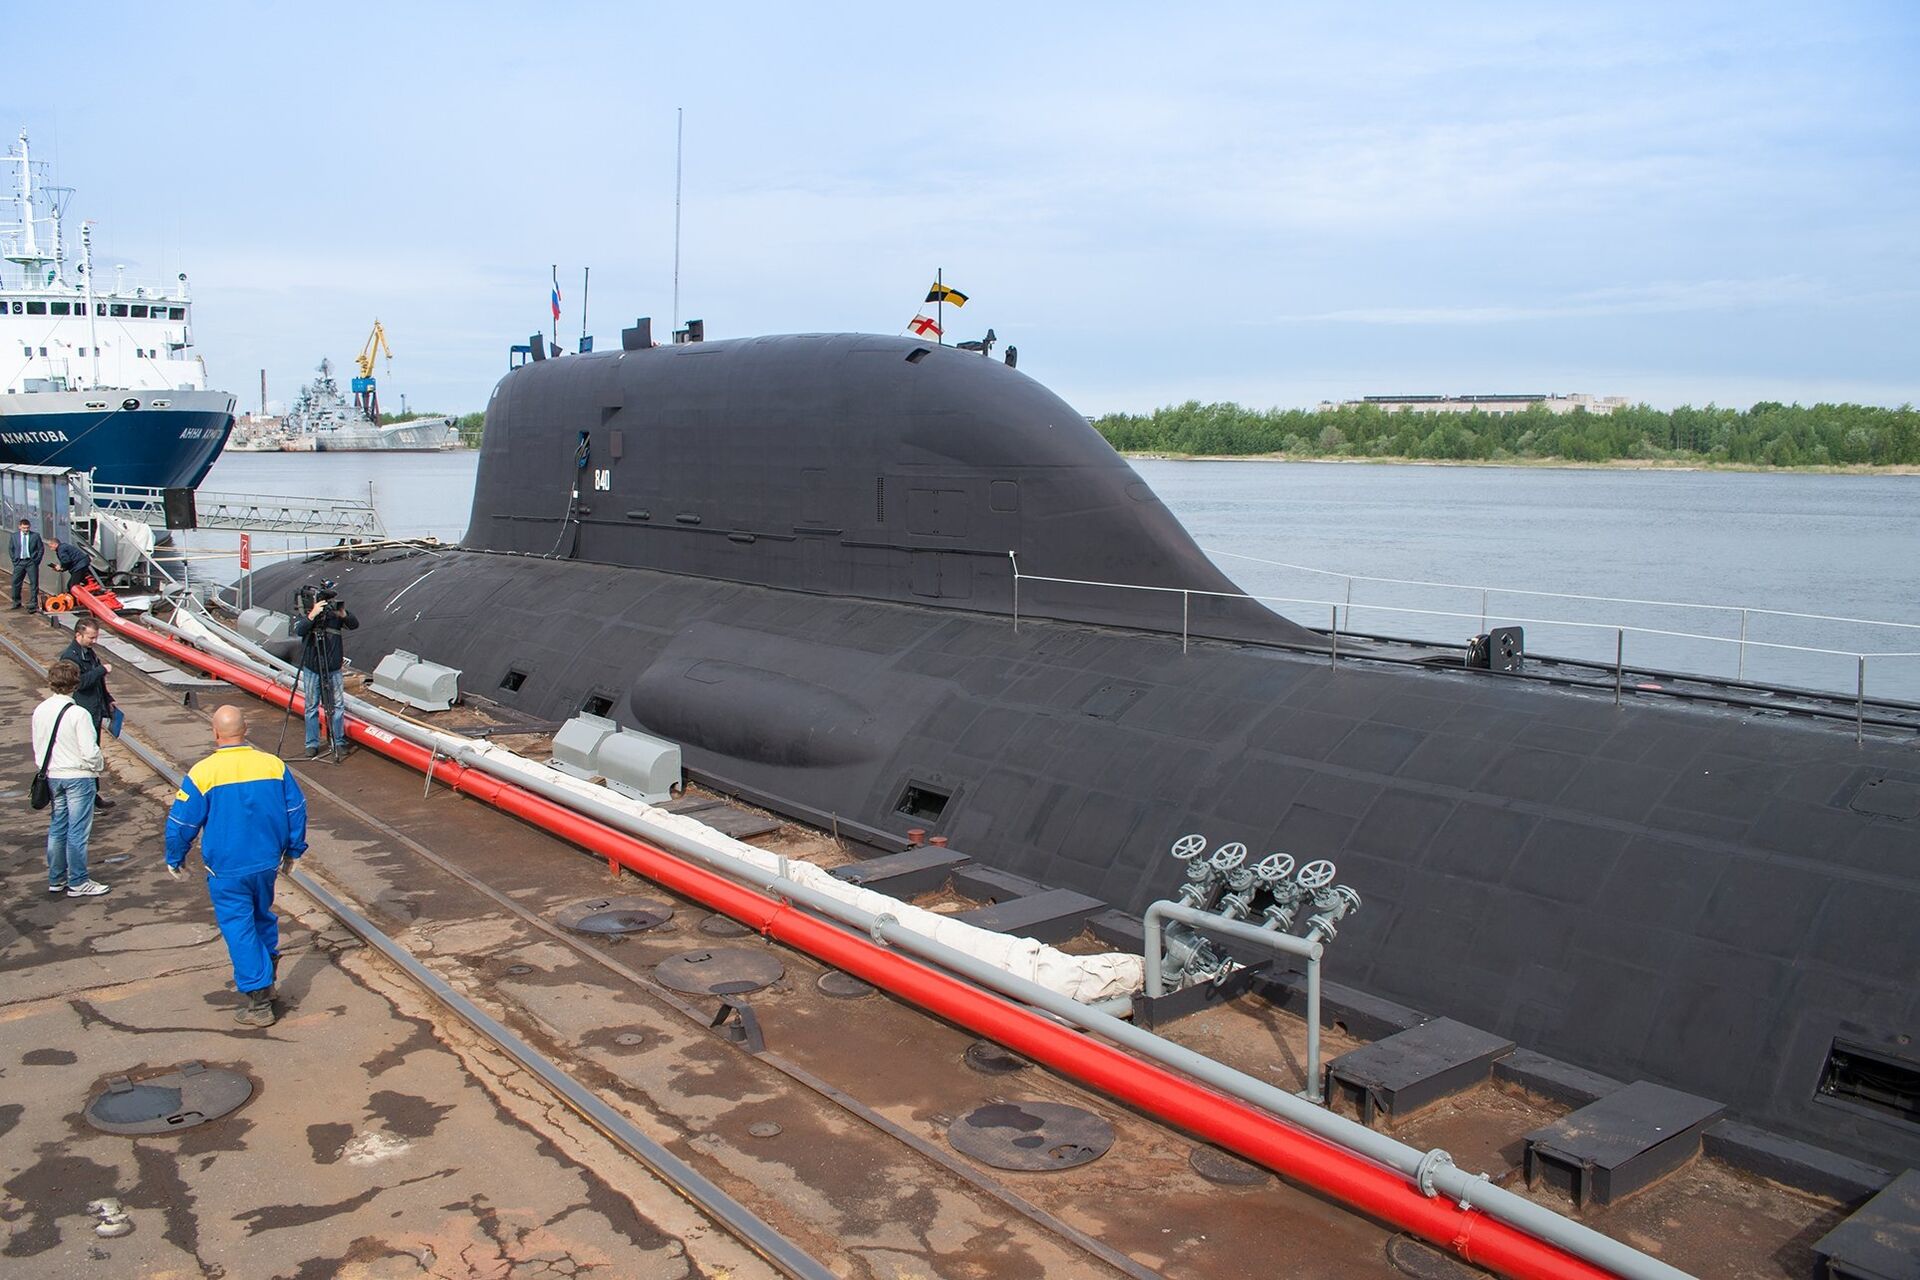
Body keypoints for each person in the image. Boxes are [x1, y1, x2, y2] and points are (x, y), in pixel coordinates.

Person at [165, 704, 308, 1027]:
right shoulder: (273, 766)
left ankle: (257, 1000)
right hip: (266, 863)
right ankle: (267, 972)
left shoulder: (203, 773)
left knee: (238, 928)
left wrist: (176, 856)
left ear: (215, 733)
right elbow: (296, 809)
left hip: (227, 868)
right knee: (262, 916)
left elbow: (181, 822)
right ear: (247, 730)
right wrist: (294, 850)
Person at [32, 659, 109, 897]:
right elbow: (90, 750)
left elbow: (38, 745)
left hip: (53, 775)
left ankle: (56, 878)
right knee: (78, 831)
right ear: (75, 684)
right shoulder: (78, 714)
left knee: (57, 827)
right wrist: (98, 766)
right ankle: (78, 880)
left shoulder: (40, 710)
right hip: (78, 775)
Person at [292, 591, 358, 762]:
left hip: (333, 667)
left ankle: (339, 740)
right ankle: (311, 744)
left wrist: (343, 614)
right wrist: (313, 614)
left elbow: (354, 624)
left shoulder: (336, 617)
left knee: (337, 705)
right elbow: (300, 630)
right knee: (311, 706)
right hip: (313, 667)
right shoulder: (310, 617)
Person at [59, 618, 118, 810]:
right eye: (91, 637)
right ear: (79, 635)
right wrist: (101, 670)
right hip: (83, 709)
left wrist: (108, 699)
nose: (94, 641)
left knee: (94, 748)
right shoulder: (70, 657)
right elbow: (78, 683)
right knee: (87, 752)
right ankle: (87, 797)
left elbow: (98, 682)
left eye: (96, 637)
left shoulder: (89, 652)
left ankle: (93, 794)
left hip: (95, 707)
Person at [10, 517, 44, 612]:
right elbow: (11, 549)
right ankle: (16, 602)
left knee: (34, 583)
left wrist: (37, 560)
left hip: (31, 562)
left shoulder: (35, 536)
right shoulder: (14, 536)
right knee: (15, 582)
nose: (26, 530)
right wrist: (14, 561)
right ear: (19, 527)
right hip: (19, 562)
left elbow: (41, 549)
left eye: (27, 528)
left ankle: (33, 602)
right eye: (24, 528)